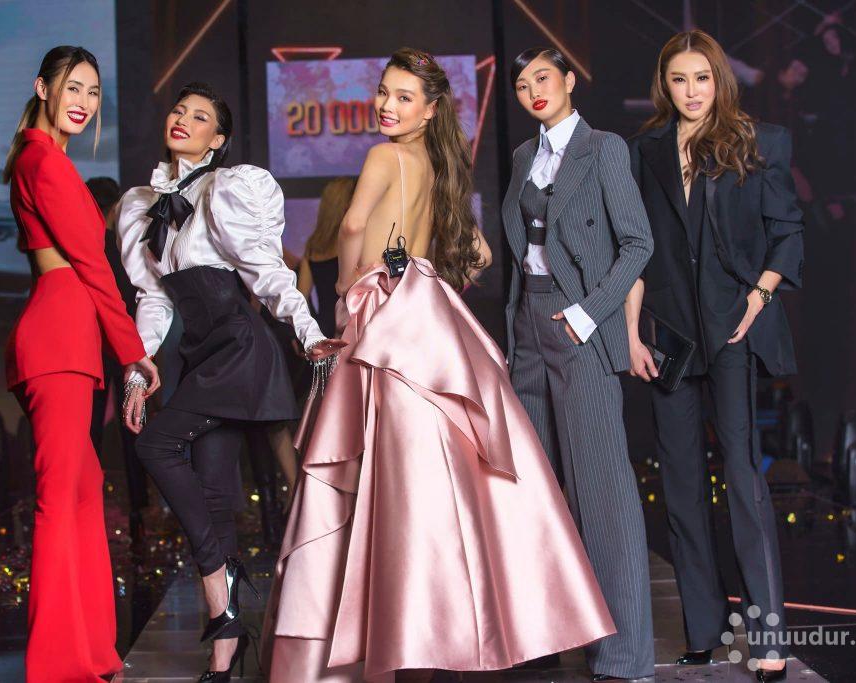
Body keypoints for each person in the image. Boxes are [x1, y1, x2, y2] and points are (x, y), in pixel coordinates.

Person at [264, 48, 615, 683]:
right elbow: (479, 253)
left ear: (429, 110)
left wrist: (348, 288)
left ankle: (378, 631)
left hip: (380, 315)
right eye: (384, 92)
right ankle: (435, 624)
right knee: (432, 475)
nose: (386, 106)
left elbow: (352, 225)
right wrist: (421, 274)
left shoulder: (383, 157)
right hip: (428, 314)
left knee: (371, 471)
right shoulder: (440, 166)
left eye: (403, 97)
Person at [117, 81, 343, 681]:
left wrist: (307, 330)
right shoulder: (143, 204)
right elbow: (154, 298)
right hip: (202, 356)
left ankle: (220, 577)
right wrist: (140, 368)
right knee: (216, 494)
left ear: (217, 140)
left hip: (242, 351)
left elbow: (266, 271)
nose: (183, 120)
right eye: (179, 110)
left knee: (156, 445)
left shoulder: (226, 189)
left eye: (200, 117)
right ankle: (227, 647)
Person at [626, 29, 802, 682]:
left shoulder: (758, 142)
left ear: (719, 80)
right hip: (670, 334)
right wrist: (631, 333)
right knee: (680, 483)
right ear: (665, 85)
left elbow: (788, 234)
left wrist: (759, 297)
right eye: (679, 79)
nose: (692, 91)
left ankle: (768, 635)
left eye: (702, 77)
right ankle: (703, 630)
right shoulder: (646, 150)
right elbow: (637, 246)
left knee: (743, 478)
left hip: (734, 327)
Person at [4, 46, 158, 682]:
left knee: (82, 493)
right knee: (61, 499)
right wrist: (134, 353)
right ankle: (56, 663)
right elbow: (93, 268)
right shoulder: (43, 161)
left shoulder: (46, 159)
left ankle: (92, 653)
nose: (84, 102)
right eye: (73, 87)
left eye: (93, 92)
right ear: (43, 87)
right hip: (59, 343)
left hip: (67, 340)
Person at [502, 46, 655, 682]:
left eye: (543, 77)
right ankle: (541, 641)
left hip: (578, 324)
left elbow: (638, 243)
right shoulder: (522, 157)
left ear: (569, 79)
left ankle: (622, 656)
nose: (533, 90)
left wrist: (589, 315)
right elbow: (524, 251)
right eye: (521, 84)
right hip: (526, 328)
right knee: (531, 496)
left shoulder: (603, 149)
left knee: (602, 493)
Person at [85, 176, 150, 546]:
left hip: (93, 346)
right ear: (115, 207)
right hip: (125, 348)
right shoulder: (125, 248)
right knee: (132, 429)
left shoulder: (86, 248)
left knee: (91, 429)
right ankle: (139, 508)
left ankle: (89, 504)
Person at [297, 176, 357, 339]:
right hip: (350, 326)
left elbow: (301, 297)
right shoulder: (353, 243)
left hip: (322, 328)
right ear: (347, 204)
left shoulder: (313, 245)